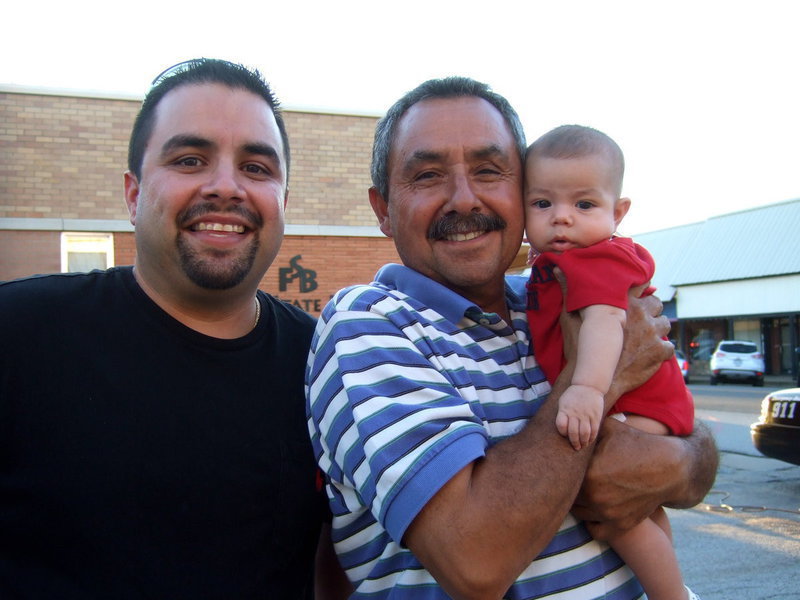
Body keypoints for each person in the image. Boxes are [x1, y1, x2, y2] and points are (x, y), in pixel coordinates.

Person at [306, 76, 718, 599]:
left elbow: (684, 441)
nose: (463, 198)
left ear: (522, 193)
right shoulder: (367, 324)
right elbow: (474, 560)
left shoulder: (556, 298)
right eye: (428, 175)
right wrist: (596, 375)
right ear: (383, 209)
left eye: (488, 170)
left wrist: (685, 461)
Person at [0, 59, 344, 599]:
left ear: (283, 202)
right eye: (190, 159)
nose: (227, 187)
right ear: (134, 195)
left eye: (256, 168)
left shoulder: (328, 365)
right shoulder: (19, 334)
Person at [525, 124, 696, 599]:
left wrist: (586, 390)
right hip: (647, 400)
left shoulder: (598, 259)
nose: (562, 219)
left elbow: (604, 324)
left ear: (617, 212)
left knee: (611, 502)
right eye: (542, 204)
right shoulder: (558, 263)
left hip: (640, 401)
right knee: (635, 504)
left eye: (584, 205)